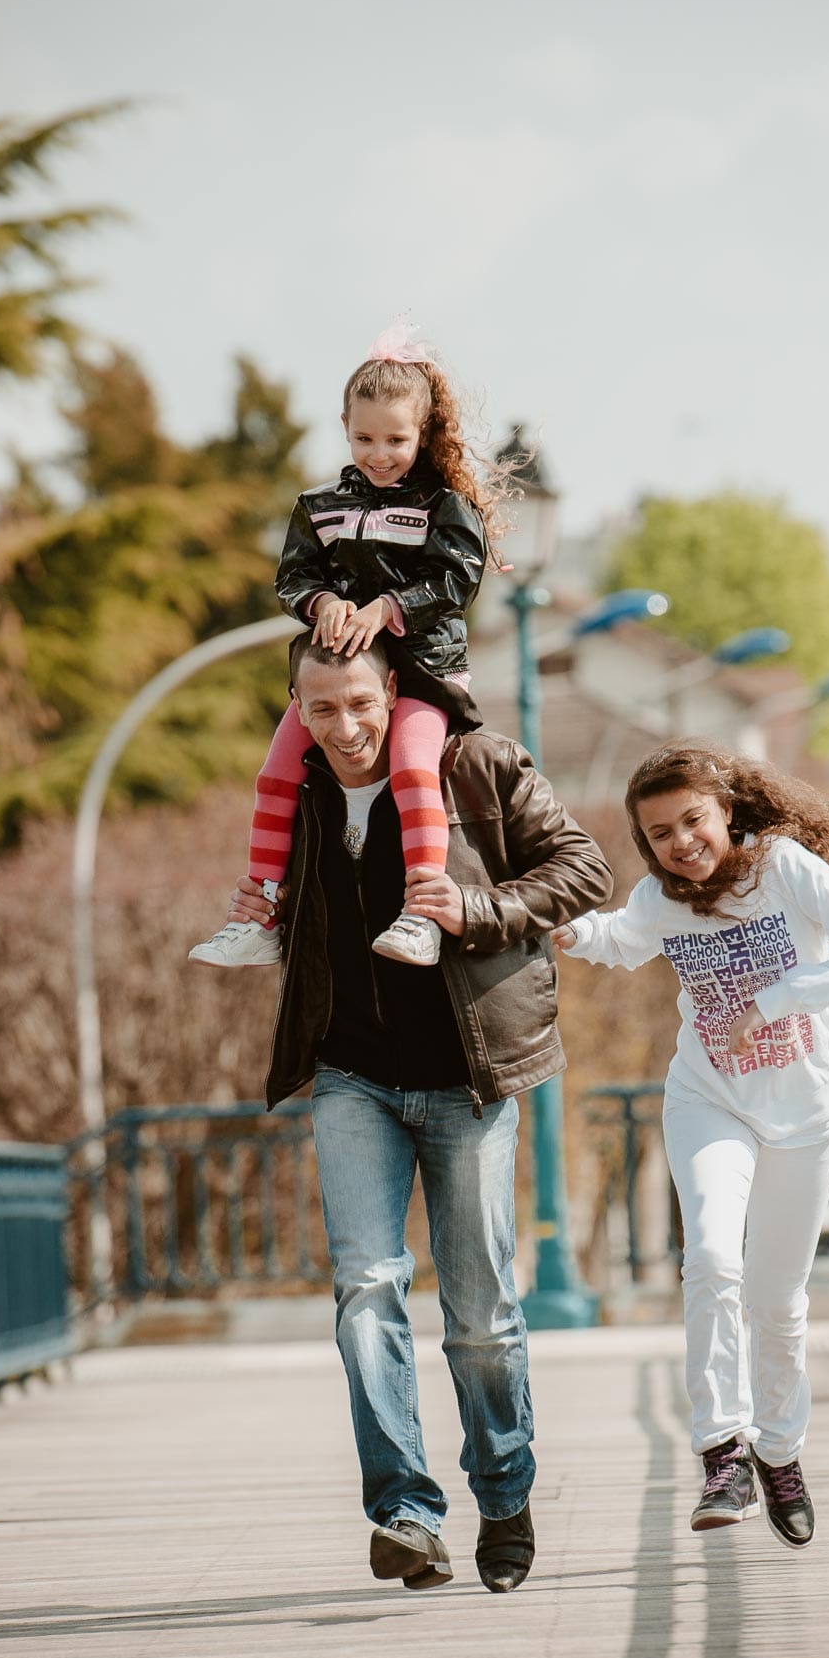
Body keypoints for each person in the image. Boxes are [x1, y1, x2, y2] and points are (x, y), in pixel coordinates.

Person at [228, 632, 611, 1593]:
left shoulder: (476, 764)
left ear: (391, 689)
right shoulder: (301, 793)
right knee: (365, 1287)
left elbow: (583, 871)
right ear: (298, 713)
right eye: (322, 709)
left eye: (361, 702)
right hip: (352, 1072)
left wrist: (474, 913)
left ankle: (505, 1490)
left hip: (465, 1076)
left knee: (480, 1309)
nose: (346, 725)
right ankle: (404, 1509)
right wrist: (265, 911)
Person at [554, 741, 829, 1548]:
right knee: (713, 1258)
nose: (682, 843)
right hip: (708, 1099)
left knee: (777, 1303)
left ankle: (780, 1455)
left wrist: (779, 996)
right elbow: (620, 937)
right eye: (660, 834)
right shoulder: (659, 899)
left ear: (725, 813)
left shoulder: (782, 870)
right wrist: (564, 932)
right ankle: (723, 1451)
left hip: (805, 1113)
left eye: (693, 821)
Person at [191, 321, 504, 973]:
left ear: (424, 431)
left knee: (416, 770)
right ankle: (261, 914)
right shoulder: (319, 505)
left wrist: (388, 610)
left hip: (422, 672)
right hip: (336, 680)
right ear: (343, 424)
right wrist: (324, 604)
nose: (380, 453)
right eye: (364, 438)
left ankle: (423, 913)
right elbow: (293, 577)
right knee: (275, 774)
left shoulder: (445, 506)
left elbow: (455, 580)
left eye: (396, 439)